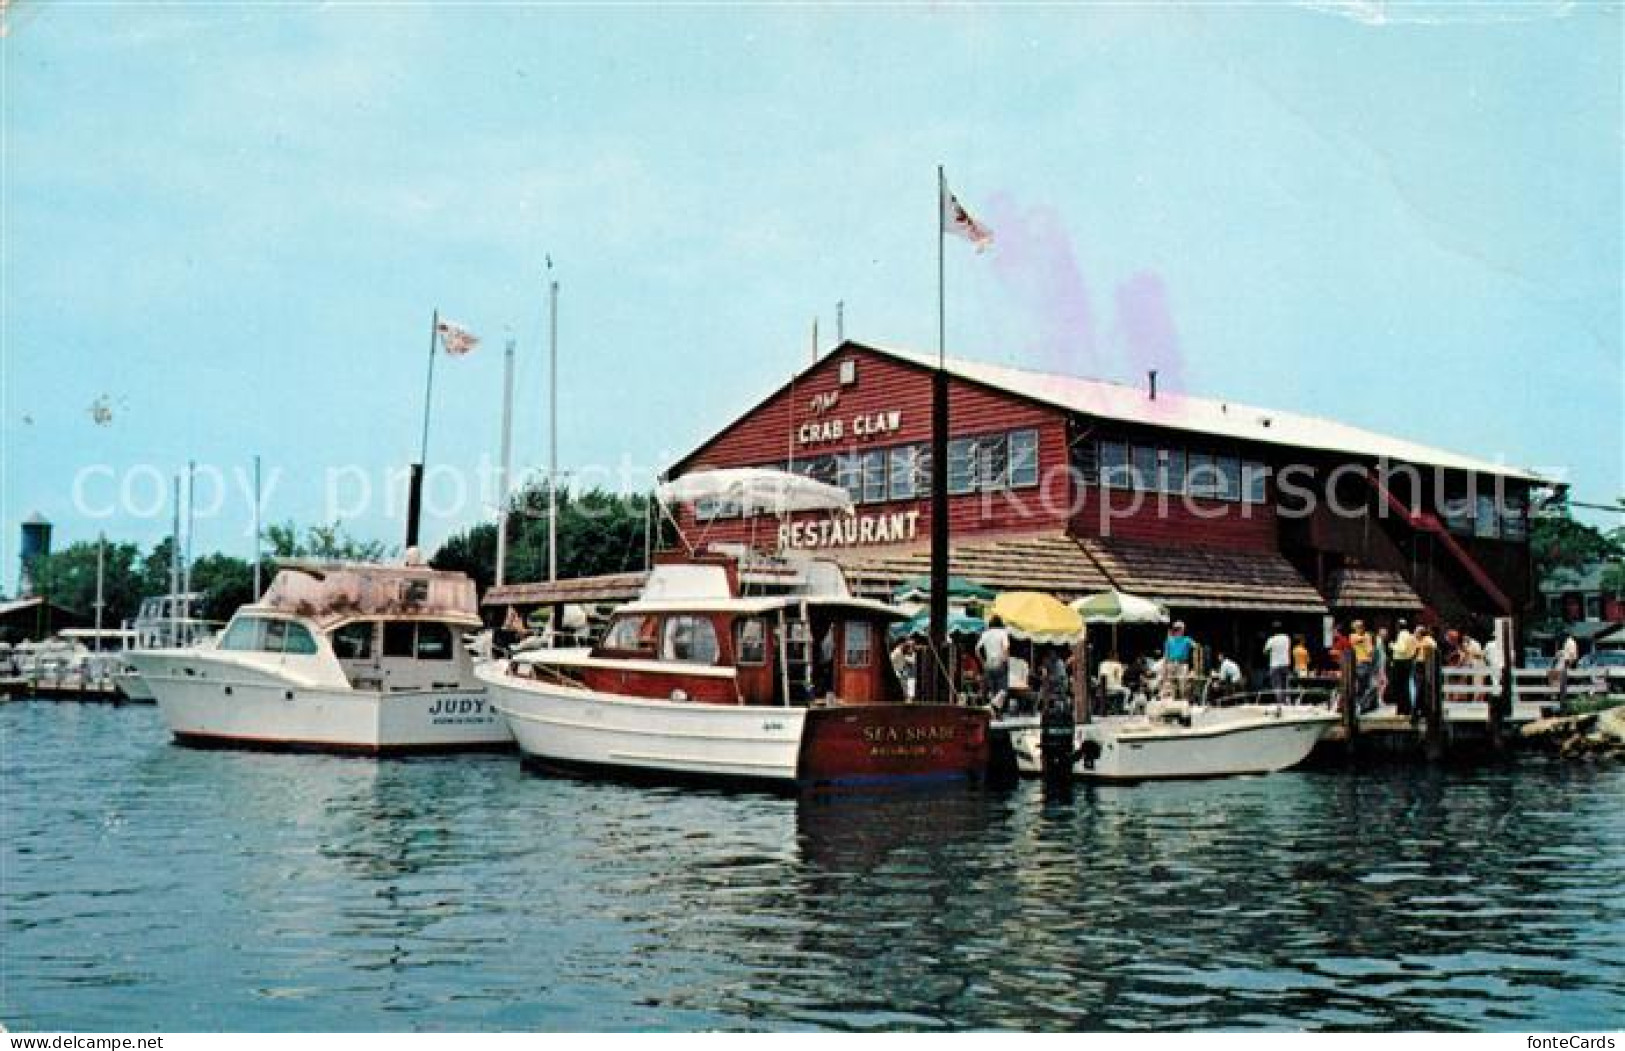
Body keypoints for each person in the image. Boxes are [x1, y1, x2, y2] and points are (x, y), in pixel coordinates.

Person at [977, 616, 1012, 709]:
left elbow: (977, 649)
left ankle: (993, 710)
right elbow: (1005, 648)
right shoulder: (1003, 633)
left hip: (988, 665)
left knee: (993, 691)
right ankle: (996, 710)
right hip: (1000, 664)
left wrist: (982, 662)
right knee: (1002, 691)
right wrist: (1004, 660)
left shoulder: (985, 634)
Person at [1389, 619, 1417, 717]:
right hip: (1408, 661)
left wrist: (1392, 646)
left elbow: (1402, 648)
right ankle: (1407, 708)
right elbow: (1414, 648)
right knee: (1406, 686)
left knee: (1400, 687)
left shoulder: (1401, 635)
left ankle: (1402, 709)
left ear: (1399, 626)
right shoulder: (1410, 635)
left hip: (1400, 662)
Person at [1162, 621, 1195, 698]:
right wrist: (1164, 669)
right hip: (1172, 664)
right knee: (1172, 684)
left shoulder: (1187, 639)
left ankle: (1183, 700)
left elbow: (1196, 647)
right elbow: (1166, 655)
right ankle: (1173, 701)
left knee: (1182, 684)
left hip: (1182, 664)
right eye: (1181, 629)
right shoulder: (1169, 640)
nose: (1182, 630)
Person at [1348, 619, 1375, 713]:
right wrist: (1367, 639)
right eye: (1358, 627)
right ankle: (1360, 705)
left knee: (1369, 686)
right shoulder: (1353, 636)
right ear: (1354, 628)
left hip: (1367, 663)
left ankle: (1361, 705)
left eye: (1362, 626)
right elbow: (1369, 649)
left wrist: (1367, 640)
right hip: (1360, 662)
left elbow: (1370, 651)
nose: (1361, 628)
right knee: (1363, 686)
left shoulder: (1366, 636)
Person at [1263, 621, 1292, 703]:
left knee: (1277, 686)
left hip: (1274, 665)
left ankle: (1280, 703)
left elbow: (1265, 652)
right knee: (1286, 685)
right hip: (1285, 663)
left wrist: (1271, 652)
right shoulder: (1287, 638)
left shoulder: (1271, 640)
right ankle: (1287, 702)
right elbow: (1288, 649)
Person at [890, 636, 919, 702]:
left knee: (910, 679)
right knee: (903, 681)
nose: (911, 648)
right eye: (909, 646)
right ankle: (906, 697)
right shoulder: (897, 652)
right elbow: (892, 660)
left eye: (912, 646)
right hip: (897, 668)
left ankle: (909, 697)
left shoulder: (912, 653)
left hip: (905, 669)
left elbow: (912, 661)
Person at [1555, 633, 1579, 707]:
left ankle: (1562, 700)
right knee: (1561, 683)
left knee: (1564, 684)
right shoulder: (1567, 642)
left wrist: (1568, 666)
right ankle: (1559, 698)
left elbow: (1571, 655)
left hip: (1566, 664)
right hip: (1565, 664)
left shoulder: (1570, 642)